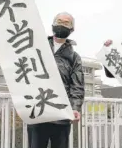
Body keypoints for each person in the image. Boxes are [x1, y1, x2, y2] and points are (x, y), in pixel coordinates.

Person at [28, 12, 85, 148]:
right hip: (38, 111)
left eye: (66, 23)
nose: (61, 25)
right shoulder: (37, 47)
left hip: (61, 114)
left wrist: (75, 107)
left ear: (72, 29)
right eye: (59, 21)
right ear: (53, 24)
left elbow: (77, 85)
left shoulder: (74, 57)